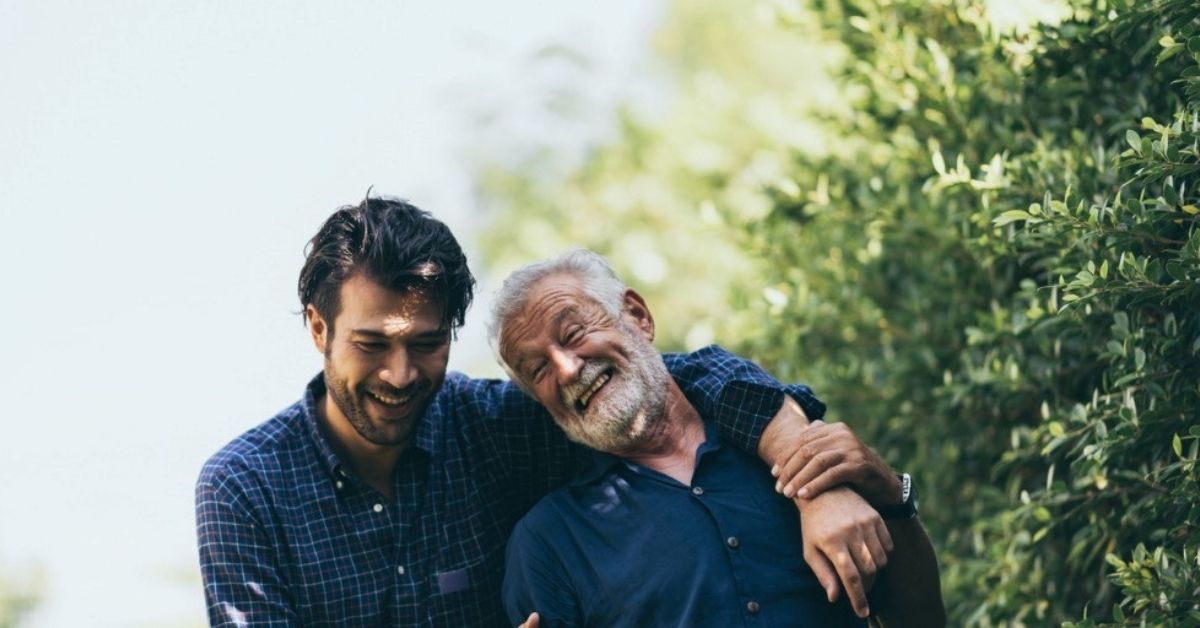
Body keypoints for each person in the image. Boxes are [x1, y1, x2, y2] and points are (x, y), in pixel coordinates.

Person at [195, 196, 889, 627]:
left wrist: (811, 474)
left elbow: (668, 378)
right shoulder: (244, 489)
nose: (401, 376)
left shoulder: (493, 429)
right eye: (371, 344)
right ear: (319, 330)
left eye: (428, 344)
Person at [492, 249, 945, 627]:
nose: (568, 369)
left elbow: (920, 621)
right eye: (539, 370)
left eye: (573, 334)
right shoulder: (548, 542)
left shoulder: (790, 446)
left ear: (637, 315)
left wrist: (889, 492)